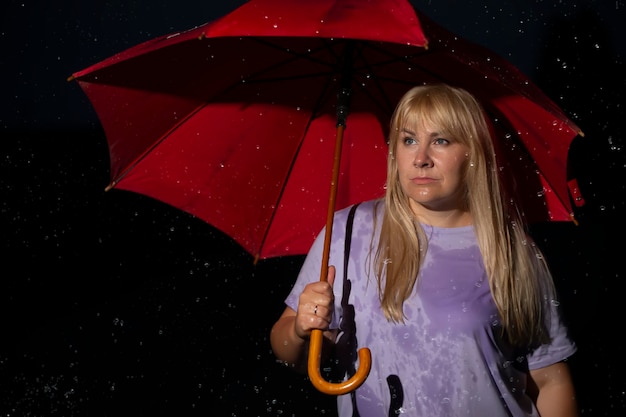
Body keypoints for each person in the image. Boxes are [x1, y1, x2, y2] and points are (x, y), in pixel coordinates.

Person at [269, 84, 578, 417]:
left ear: (473, 152)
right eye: (409, 140)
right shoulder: (348, 231)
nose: (420, 159)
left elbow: (550, 381)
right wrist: (301, 329)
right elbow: (291, 354)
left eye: (441, 141)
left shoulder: (512, 250)